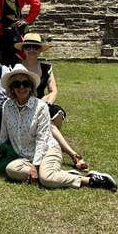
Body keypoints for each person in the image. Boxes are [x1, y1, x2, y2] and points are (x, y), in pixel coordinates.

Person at [0, 65, 118, 191]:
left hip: (47, 150)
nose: (21, 87)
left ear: (31, 86)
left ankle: (91, 180)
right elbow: (3, 133)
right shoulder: (7, 106)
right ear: (12, 88)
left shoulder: (40, 107)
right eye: (17, 84)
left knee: (46, 180)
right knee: (11, 169)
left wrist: (36, 166)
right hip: (25, 157)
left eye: (25, 83)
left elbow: (42, 139)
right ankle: (60, 175)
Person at [17, 32, 87, 169]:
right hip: (24, 105)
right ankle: (73, 155)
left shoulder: (46, 67)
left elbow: (53, 90)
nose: (31, 50)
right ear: (23, 49)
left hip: (44, 103)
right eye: (28, 47)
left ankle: (50, 146)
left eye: (35, 47)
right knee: (49, 125)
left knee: (57, 114)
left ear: (39, 50)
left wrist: (46, 103)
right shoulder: (17, 67)